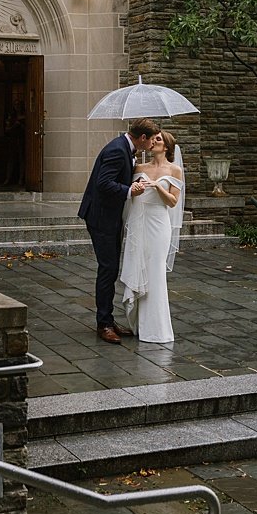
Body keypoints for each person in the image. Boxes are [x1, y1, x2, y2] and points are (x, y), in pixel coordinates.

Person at [78, 117, 161, 344]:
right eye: (152, 139)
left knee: (111, 269)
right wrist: (129, 190)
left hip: (110, 217)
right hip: (101, 217)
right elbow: (103, 183)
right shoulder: (117, 150)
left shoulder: (125, 148)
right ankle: (104, 324)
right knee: (108, 268)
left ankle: (108, 319)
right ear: (142, 138)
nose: (153, 144)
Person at [118, 130, 185, 343]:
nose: (153, 141)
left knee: (155, 272)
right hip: (139, 225)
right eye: (153, 138)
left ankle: (157, 330)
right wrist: (134, 187)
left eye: (158, 139)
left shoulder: (174, 171)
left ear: (166, 146)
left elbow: (173, 202)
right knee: (139, 268)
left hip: (159, 226)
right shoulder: (139, 168)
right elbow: (130, 192)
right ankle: (138, 324)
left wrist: (158, 187)